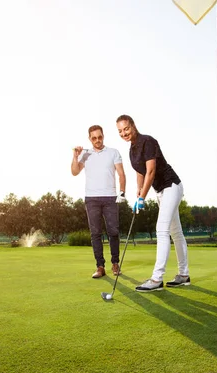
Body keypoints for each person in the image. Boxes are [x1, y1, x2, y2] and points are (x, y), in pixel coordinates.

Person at [116, 114, 190, 292]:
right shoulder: (132, 150)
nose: (124, 133)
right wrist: (139, 193)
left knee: (161, 230)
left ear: (133, 126)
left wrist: (142, 198)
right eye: (120, 131)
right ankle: (183, 275)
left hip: (171, 185)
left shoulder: (148, 141)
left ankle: (157, 279)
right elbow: (140, 173)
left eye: (126, 128)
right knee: (176, 232)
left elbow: (151, 171)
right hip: (161, 191)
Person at [72, 125, 127, 278]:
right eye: (94, 138)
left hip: (110, 197)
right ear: (90, 139)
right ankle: (100, 267)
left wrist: (122, 192)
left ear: (103, 136)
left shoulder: (113, 152)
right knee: (95, 233)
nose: (97, 140)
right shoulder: (85, 154)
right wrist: (75, 156)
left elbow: (121, 174)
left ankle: (115, 264)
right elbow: (74, 172)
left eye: (99, 137)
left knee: (113, 232)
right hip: (91, 199)